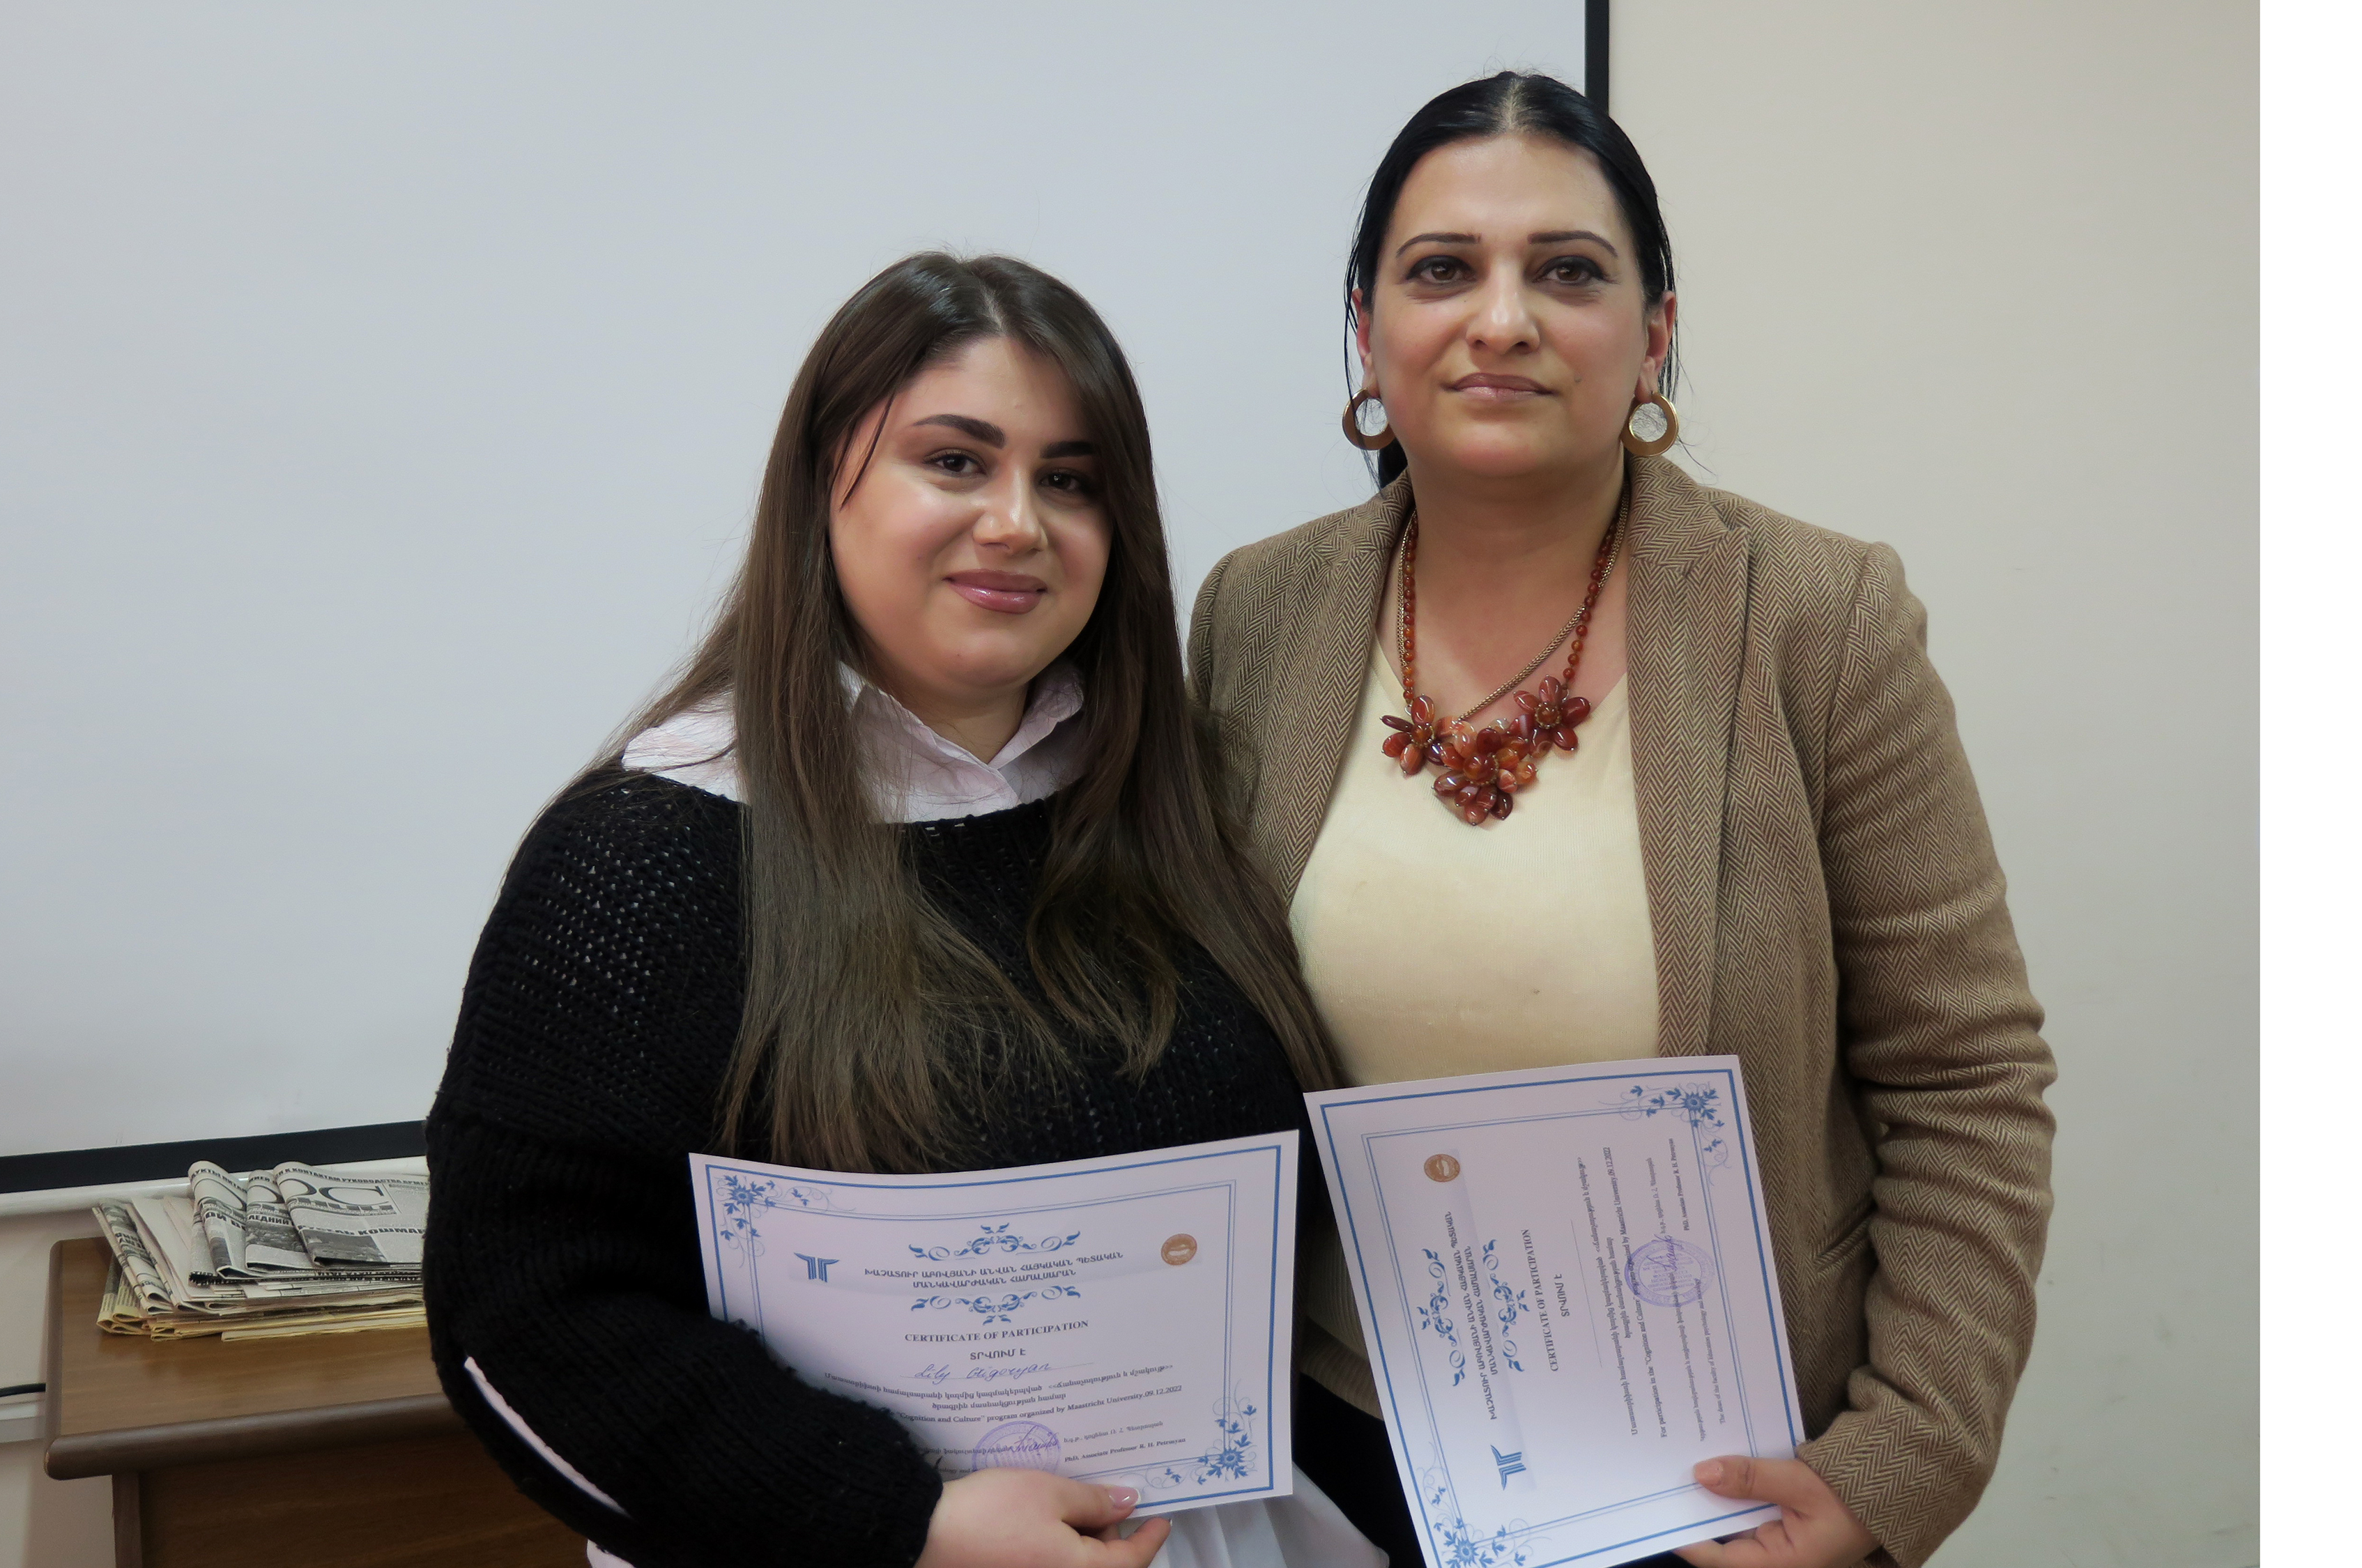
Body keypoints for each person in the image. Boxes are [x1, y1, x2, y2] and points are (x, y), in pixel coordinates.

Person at [1185, 75, 2056, 1568]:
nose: (1501, 318)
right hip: (1334, 1451)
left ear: (1653, 334)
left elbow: (1965, 1081)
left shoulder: (1814, 620)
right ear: (1366, 331)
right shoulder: (1256, 612)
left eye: (1567, 271)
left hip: (1715, 1479)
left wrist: (1898, 1461)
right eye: (1442, 269)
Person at [425, 253, 1381, 1568]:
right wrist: (900, 1524)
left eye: (1071, 480)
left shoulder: (1173, 804)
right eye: (955, 461)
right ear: (826, 478)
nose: (1016, 522)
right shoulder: (645, 852)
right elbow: (528, 1313)